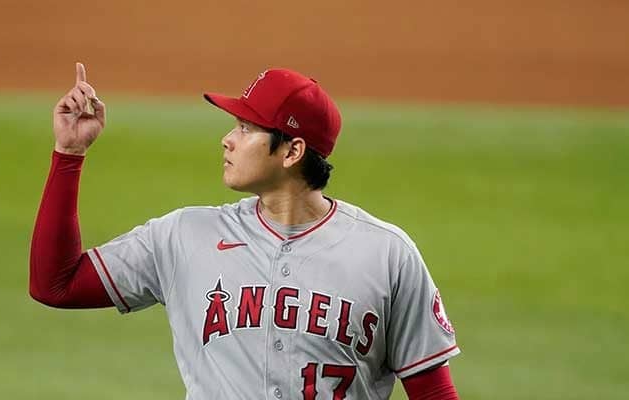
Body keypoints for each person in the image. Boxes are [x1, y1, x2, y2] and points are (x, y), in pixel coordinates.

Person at [29, 62, 461, 399]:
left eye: (246, 128)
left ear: (292, 151)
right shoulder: (184, 237)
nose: (228, 139)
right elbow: (56, 285)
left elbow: (432, 392)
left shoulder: (387, 255)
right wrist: (69, 153)